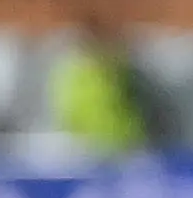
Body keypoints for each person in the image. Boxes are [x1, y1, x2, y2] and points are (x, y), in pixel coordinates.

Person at [50, 21, 152, 153]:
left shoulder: (127, 73)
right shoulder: (72, 75)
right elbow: (66, 115)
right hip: (88, 150)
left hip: (126, 148)